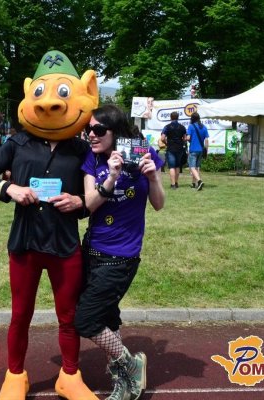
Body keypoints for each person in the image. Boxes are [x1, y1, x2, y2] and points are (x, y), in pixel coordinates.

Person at [0, 50, 99, 400]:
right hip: (25, 244)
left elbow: (94, 195)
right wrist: (9, 189)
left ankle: (69, 376)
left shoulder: (81, 150)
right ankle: (16, 375)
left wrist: (79, 203)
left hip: (64, 244)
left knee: (68, 316)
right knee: (20, 315)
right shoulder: (17, 143)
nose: (49, 104)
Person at [74, 105, 165, 400]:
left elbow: (159, 204)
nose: (91, 134)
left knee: (86, 321)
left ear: (115, 131)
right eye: (88, 129)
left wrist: (153, 178)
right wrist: (111, 177)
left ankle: (130, 363)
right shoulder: (93, 158)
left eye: (99, 130)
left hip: (121, 256)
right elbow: (89, 204)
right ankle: (124, 384)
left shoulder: (143, 152)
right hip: (92, 250)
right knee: (108, 318)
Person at [160, 111, 186, 189]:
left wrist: (166, 143)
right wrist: (181, 142)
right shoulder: (182, 127)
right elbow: (185, 138)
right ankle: (176, 183)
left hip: (170, 148)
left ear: (170, 117)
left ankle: (173, 184)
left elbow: (162, 138)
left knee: (171, 167)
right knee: (177, 166)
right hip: (179, 148)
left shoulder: (167, 127)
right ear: (178, 117)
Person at [186, 112, 209, 190]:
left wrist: (186, 139)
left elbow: (188, 138)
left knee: (192, 167)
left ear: (192, 119)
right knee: (197, 167)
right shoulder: (204, 127)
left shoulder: (191, 126)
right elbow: (206, 140)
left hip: (193, 149)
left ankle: (199, 181)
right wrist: (206, 150)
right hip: (201, 150)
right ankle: (194, 183)